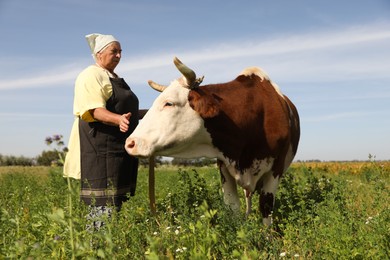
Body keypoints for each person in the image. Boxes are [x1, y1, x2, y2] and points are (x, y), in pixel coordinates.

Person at [63, 33, 140, 230]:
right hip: (99, 149)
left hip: (118, 149)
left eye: (121, 52)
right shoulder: (91, 75)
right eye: (114, 51)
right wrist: (118, 119)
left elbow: (127, 111)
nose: (119, 56)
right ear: (99, 54)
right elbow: (93, 110)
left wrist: (157, 111)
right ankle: (96, 249)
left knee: (117, 205)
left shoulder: (113, 77)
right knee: (102, 207)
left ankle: (112, 248)